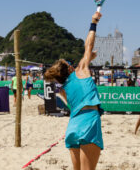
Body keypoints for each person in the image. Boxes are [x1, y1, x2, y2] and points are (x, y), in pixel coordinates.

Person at [44, 12, 103, 170]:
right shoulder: (81, 70)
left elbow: (86, 54)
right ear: (70, 68)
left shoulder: (63, 89)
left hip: (73, 126)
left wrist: (88, 58)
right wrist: (94, 22)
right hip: (88, 121)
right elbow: (89, 45)